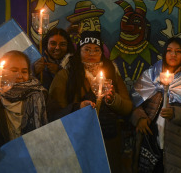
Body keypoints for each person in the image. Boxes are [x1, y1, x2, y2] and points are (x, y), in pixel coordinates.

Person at [49, 30, 133, 173]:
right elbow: (54, 111)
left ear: (101, 52)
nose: (92, 53)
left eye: (96, 50)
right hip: (78, 140)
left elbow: (127, 107)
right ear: (79, 51)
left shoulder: (112, 73)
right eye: (87, 49)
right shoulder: (66, 74)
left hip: (108, 140)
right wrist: (78, 107)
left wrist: (113, 100)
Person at [130, 37, 181, 173]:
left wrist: (176, 114)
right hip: (151, 143)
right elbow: (134, 103)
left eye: (178, 51)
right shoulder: (151, 75)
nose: (173, 54)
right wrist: (139, 118)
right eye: (169, 51)